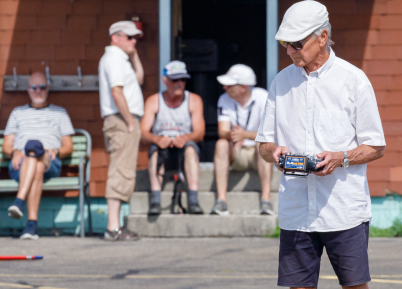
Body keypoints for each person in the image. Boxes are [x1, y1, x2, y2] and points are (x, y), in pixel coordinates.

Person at [256, 0, 400, 289]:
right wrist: (276, 152)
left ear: (322, 36)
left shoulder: (354, 80)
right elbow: (263, 143)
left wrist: (342, 157)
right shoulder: (281, 82)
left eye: (297, 44)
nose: (291, 52)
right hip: (298, 207)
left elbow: (376, 145)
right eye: (285, 45)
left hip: (342, 207)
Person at [2, 72, 74, 240]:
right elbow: (6, 144)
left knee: (36, 153)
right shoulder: (17, 113)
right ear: (28, 90)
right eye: (34, 88)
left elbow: (68, 146)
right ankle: (31, 225)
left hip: (51, 160)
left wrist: (57, 151)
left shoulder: (60, 113)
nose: (38, 91)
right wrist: (14, 152)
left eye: (42, 87)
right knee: (36, 163)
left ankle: (19, 201)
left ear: (48, 89)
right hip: (21, 163)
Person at [99, 20, 145, 241]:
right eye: (129, 37)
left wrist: (134, 55)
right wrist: (129, 122)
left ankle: (115, 226)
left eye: (135, 37)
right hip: (121, 120)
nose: (134, 40)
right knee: (120, 170)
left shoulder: (122, 59)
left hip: (124, 119)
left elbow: (139, 79)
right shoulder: (114, 59)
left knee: (124, 169)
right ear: (115, 37)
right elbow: (117, 92)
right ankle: (113, 227)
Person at [140, 61, 205, 215]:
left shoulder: (194, 100)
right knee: (155, 152)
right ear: (165, 80)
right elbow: (142, 132)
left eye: (183, 80)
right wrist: (157, 139)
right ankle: (155, 200)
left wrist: (185, 138)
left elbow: (200, 132)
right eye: (175, 80)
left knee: (190, 150)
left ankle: (193, 199)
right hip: (162, 147)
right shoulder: (154, 101)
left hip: (184, 147)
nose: (179, 84)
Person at [212, 64, 274, 216]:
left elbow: (269, 133)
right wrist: (236, 135)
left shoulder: (263, 96)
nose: (225, 88)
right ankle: (221, 200)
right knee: (221, 144)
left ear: (243, 87)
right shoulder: (224, 99)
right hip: (237, 151)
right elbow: (222, 132)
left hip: (257, 152)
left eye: (229, 85)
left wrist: (244, 134)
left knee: (263, 143)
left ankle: (266, 200)